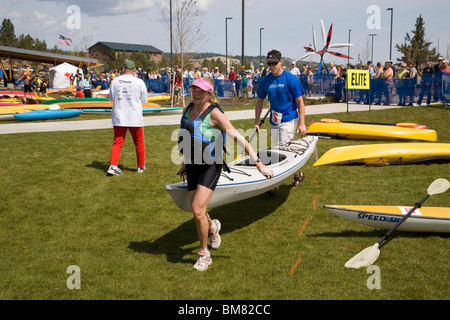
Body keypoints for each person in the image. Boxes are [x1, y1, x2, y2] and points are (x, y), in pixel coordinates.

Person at [177, 77, 273, 271]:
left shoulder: (214, 114)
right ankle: (213, 227)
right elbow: (189, 138)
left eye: (201, 91)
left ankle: (204, 255)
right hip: (193, 166)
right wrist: (185, 162)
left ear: (209, 94)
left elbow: (238, 137)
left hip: (210, 166)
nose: (196, 93)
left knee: (197, 210)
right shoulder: (187, 109)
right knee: (199, 212)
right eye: (194, 89)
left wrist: (258, 163)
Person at [255, 49, 307, 193]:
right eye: (269, 63)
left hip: (289, 118)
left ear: (280, 62)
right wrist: (256, 122)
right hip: (274, 120)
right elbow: (259, 102)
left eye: (274, 63)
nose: (271, 66)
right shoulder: (266, 80)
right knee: (281, 149)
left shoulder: (290, 79)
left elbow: (300, 103)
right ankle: (298, 174)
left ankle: (274, 184)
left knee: (282, 148)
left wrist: (302, 123)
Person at [107, 60, 148, 176]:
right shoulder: (139, 82)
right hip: (134, 116)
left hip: (119, 116)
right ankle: (141, 166)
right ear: (134, 70)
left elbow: (111, 98)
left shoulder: (115, 80)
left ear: (124, 69)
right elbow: (144, 100)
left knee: (117, 142)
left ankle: (113, 165)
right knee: (139, 142)